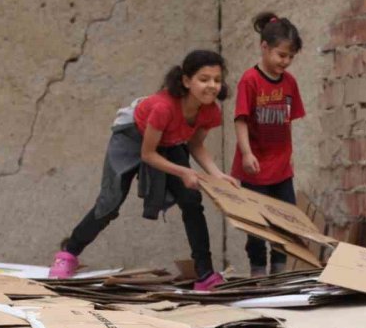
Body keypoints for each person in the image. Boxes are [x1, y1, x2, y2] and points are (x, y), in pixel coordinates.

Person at [49, 50, 238, 289]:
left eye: (217, 80)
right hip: (132, 138)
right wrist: (183, 172)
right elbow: (147, 154)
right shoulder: (164, 108)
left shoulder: (210, 111)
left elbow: (195, 144)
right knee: (110, 203)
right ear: (186, 81)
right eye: (204, 79)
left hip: (170, 142)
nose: (211, 85)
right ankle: (68, 253)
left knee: (191, 200)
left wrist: (217, 174)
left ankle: (205, 274)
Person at [231, 12, 305, 277]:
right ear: (264, 47)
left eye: (290, 57)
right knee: (256, 224)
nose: (285, 62)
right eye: (281, 55)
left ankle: (279, 273)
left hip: (281, 166)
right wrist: (247, 153)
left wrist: (291, 156)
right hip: (255, 166)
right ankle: (258, 272)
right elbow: (240, 120)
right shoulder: (250, 81)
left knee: (285, 220)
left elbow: (288, 122)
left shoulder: (290, 83)